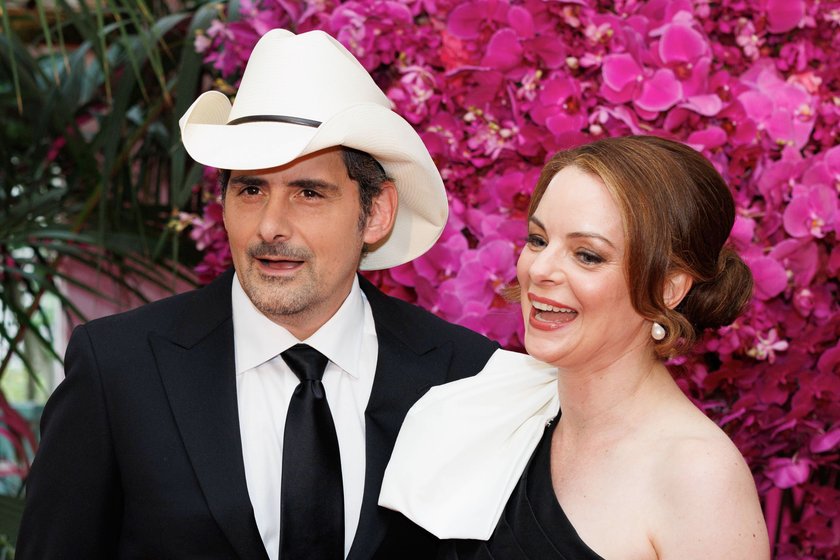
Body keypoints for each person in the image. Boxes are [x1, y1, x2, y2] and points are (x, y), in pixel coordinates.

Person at [16, 29, 501, 559]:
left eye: (309, 193)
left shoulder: (462, 376)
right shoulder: (119, 369)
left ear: (377, 212)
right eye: (250, 189)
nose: (271, 226)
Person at [380, 135, 770, 559]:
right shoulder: (480, 410)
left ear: (667, 288)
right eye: (538, 240)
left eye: (587, 255)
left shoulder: (699, 478)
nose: (541, 270)